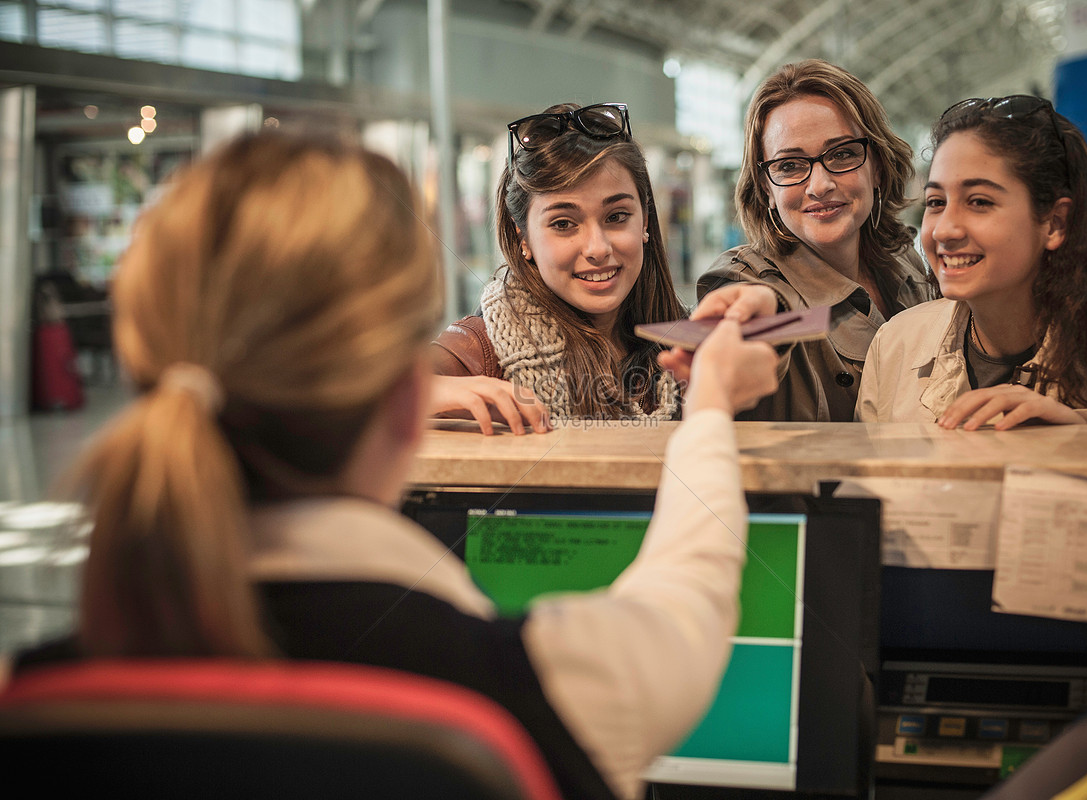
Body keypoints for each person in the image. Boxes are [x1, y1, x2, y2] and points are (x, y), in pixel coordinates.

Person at [13, 133, 781, 800]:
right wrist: (709, 405)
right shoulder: (518, 688)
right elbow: (688, 599)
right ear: (408, 400)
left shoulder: (35, 696)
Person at [857, 95, 1087, 428]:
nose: (945, 229)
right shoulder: (894, 347)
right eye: (936, 201)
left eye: (978, 202)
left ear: (1055, 223)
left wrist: (1079, 440)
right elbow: (863, 484)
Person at [694, 59, 938, 422]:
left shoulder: (907, 260)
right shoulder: (744, 281)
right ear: (765, 188)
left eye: (842, 154)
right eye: (789, 165)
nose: (819, 185)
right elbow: (745, 336)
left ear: (878, 166)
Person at [431, 102, 688, 427]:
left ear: (645, 221)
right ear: (522, 236)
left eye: (617, 217)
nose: (597, 248)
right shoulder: (484, 348)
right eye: (564, 224)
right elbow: (364, 399)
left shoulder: (687, 339)